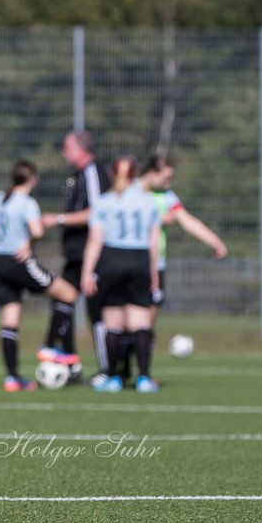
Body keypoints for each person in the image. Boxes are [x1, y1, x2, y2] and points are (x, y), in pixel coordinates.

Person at [0, 160, 82, 392]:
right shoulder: (28, 203)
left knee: (10, 320)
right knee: (68, 293)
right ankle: (49, 346)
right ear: (33, 179)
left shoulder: (0, 198)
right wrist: (28, 243)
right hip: (19, 262)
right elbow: (38, 231)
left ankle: (12, 378)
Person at [112, 153, 227, 376]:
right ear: (151, 173)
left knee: (145, 324)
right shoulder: (129, 191)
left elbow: (187, 220)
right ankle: (121, 370)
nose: (168, 183)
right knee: (124, 322)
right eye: (165, 178)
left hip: (156, 266)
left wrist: (215, 242)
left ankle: (140, 373)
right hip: (128, 263)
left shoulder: (166, 197)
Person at [80, 156, 161, 393]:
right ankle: (144, 378)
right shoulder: (148, 202)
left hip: (112, 259)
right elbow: (153, 241)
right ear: (135, 174)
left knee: (113, 323)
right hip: (139, 259)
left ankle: (114, 378)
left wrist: (87, 272)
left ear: (112, 175)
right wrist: (153, 272)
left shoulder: (104, 202)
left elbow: (95, 241)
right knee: (141, 322)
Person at [40, 130, 109, 383]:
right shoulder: (77, 175)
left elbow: (97, 213)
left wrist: (56, 219)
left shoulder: (92, 172)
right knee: (62, 299)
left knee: (96, 310)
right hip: (75, 254)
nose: (63, 152)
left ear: (80, 149)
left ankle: (106, 368)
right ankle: (69, 360)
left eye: (67, 148)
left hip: (90, 254)